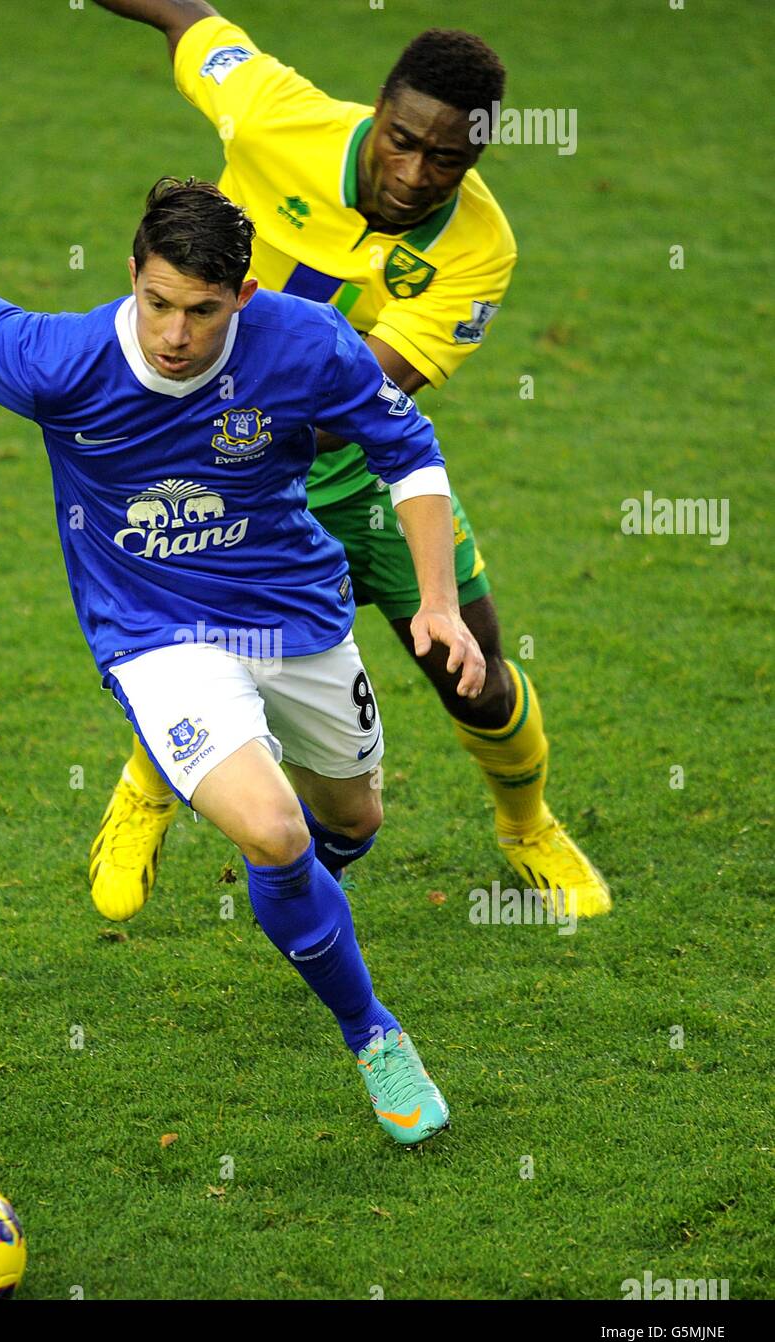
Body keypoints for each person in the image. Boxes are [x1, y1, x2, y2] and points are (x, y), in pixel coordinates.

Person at [0, 177, 485, 1145]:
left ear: (244, 296)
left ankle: (240, 836)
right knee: (276, 834)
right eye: (155, 303)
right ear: (130, 279)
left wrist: (438, 600)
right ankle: (373, 1033)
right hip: (155, 632)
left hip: (294, 614)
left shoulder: (308, 342)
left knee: (351, 821)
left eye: (199, 310)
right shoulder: (57, 359)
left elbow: (410, 453)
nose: (174, 334)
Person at [85, 1, 612, 922]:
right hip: (225, 473)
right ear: (376, 110)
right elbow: (182, 15)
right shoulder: (271, 113)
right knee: (197, 650)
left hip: (358, 470)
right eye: (401, 141)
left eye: (447, 158)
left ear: (481, 153)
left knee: (474, 671)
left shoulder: (478, 249)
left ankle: (525, 828)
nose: (413, 174)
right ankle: (145, 790)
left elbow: (359, 402)